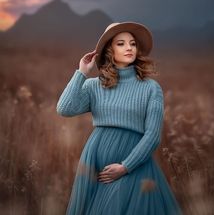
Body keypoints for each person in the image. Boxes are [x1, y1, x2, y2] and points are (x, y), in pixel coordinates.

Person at [56, 22, 182, 215]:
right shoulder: (94, 86)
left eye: (132, 43)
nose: (129, 47)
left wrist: (126, 167)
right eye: (121, 43)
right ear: (109, 50)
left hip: (135, 165)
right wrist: (81, 72)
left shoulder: (150, 88)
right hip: (96, 165)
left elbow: (153, 135)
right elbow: (64, 109)